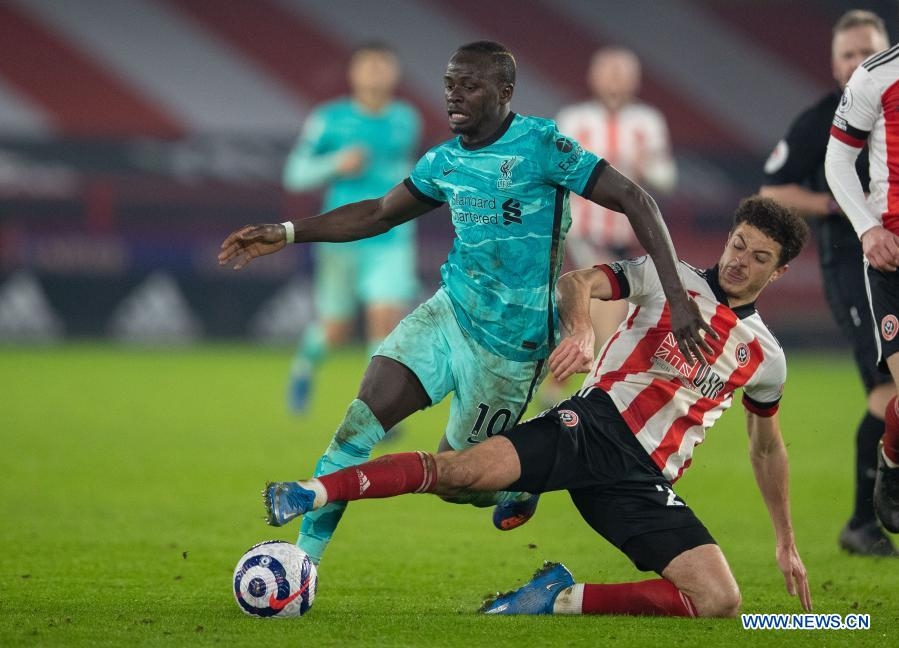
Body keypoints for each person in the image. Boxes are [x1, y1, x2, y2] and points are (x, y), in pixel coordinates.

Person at [219, 40, 711, 566]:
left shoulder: (543, 145)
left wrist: (678, 299)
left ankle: (520, 482)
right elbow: (380, 213)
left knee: (459, 482)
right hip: (448, 314)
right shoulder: (444, 160)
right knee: (357, 426)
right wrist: (289, 232)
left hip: (511, 349)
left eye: (469, 86)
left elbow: (637, 199)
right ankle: (302, 564)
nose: (454, 96)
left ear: (504, 92)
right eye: (450, 84)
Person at [263, 196, 812, 618]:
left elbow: (767, 449)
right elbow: (579, 280)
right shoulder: (671, 280)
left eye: (759, 257)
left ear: (779, 271)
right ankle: (308, 492)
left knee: (720, 600)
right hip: (592, 427)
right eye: (738, 244)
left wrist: (786, 543)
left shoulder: (767, 356)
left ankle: (557, 598)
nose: (741, 261)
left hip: (644, 480)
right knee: (458, 476)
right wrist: (582, 331)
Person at [760, 10, 896, 556]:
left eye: (869, 49)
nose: (858, 60)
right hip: (853, 266)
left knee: (885, 395)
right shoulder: (820, 120)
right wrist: (841, 208)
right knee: (886, 391)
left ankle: (868, 516)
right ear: (834, 62)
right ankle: (865, 519)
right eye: (848, 53)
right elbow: (773, 191)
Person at [282, 42, 422, 413]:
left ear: (394, 74)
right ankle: (303, 366)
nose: (376, 72)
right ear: (354, 73)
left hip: (391, 237)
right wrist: (335, 163)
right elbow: (294, 175)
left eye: (383, 65)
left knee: (385, 319)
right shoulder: (329, 118)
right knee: (335, 329)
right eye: (369, 65)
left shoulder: (406, 119)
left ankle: (373, 406)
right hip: (342, 233)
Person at [555, 47, 677, 348]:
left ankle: (563, 376)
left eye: (621, 71)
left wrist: (645, 168)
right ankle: (601, 372)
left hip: (626, 228)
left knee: (597, 295)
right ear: (592, 76)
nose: (614, 78)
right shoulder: (574, 119)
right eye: (608, 70)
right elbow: (555, 169)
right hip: (583, 227)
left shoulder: (647, 121)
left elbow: (667, 177)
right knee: (608, 295)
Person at [826, 35, 899, 537]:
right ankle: (892, 461)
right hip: (894, 260)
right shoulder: (876, 75)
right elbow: (837, 161)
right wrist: (868, 229)